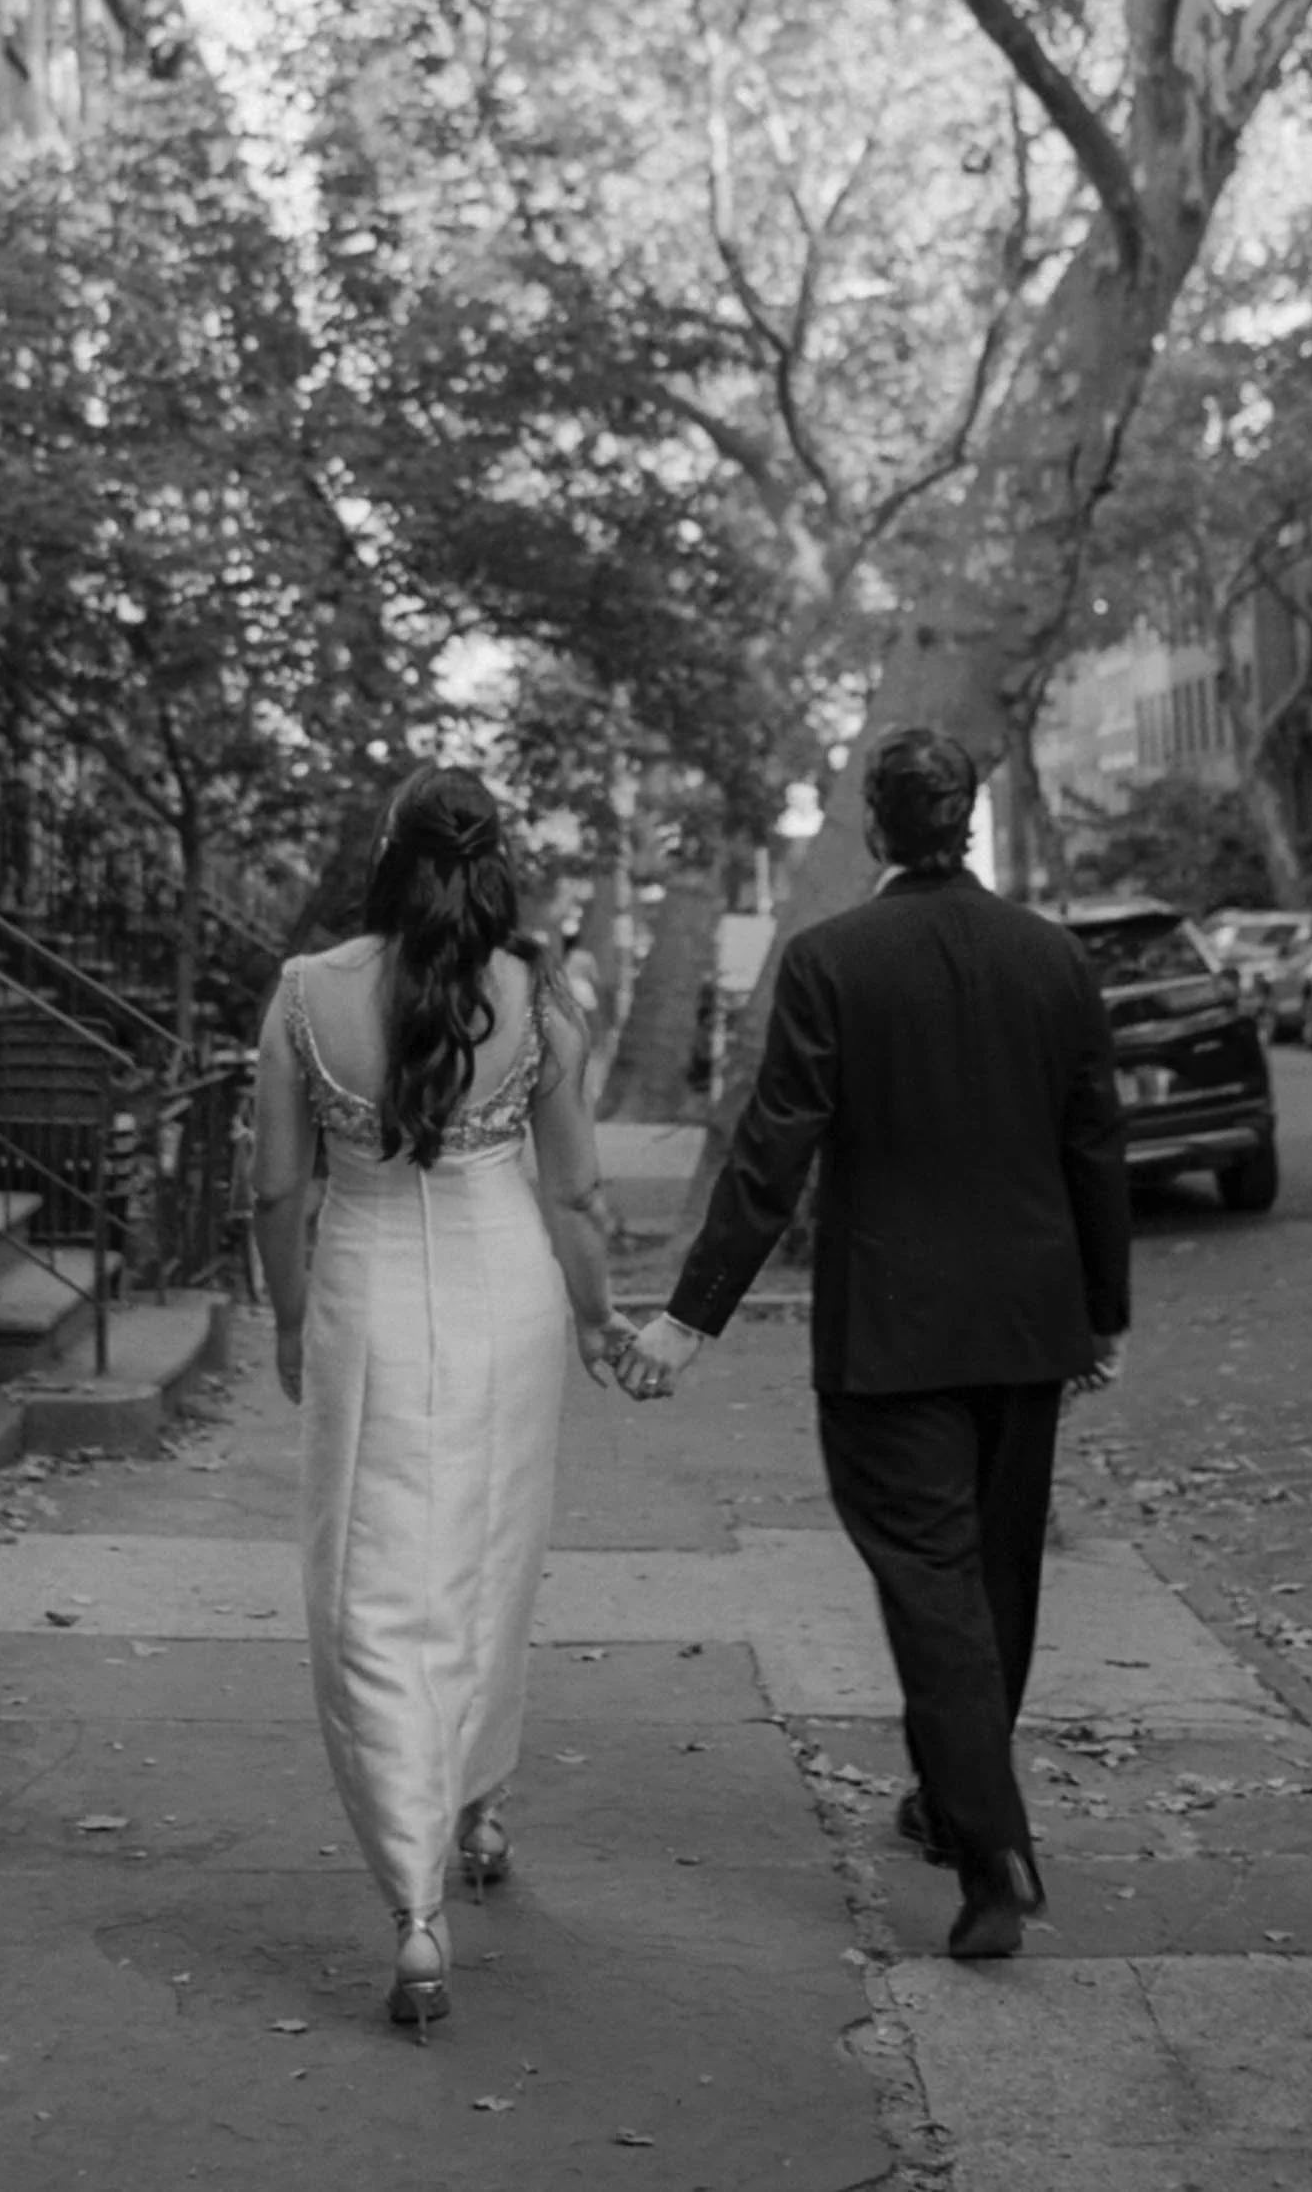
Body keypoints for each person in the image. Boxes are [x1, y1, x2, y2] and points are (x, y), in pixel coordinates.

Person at [619, 728, 1130, 1960]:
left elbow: (772, 1151)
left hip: (892, 1330)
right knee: (994, 1574)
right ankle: (955, 1801)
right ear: (967, 817)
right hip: (1024, 1321)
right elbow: (1093, 1144)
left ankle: (991, 1847)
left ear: (873, 824)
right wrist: (1100, 1309)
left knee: (934, 1581)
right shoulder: (1053, 957)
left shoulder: (831, 958)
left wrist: (689, 1317)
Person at [253, 766, 636, 2028]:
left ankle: (416, 1906)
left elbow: (275, 1189)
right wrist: (595, 1313)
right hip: (507, 1297)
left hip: (366, 1290)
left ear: (388, 854)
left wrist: (289, 1313)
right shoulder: (536, 994)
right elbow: (574, 1191)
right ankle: (477, 1806)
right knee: (487, 1556)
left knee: (371, 1582)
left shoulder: (307, 990)